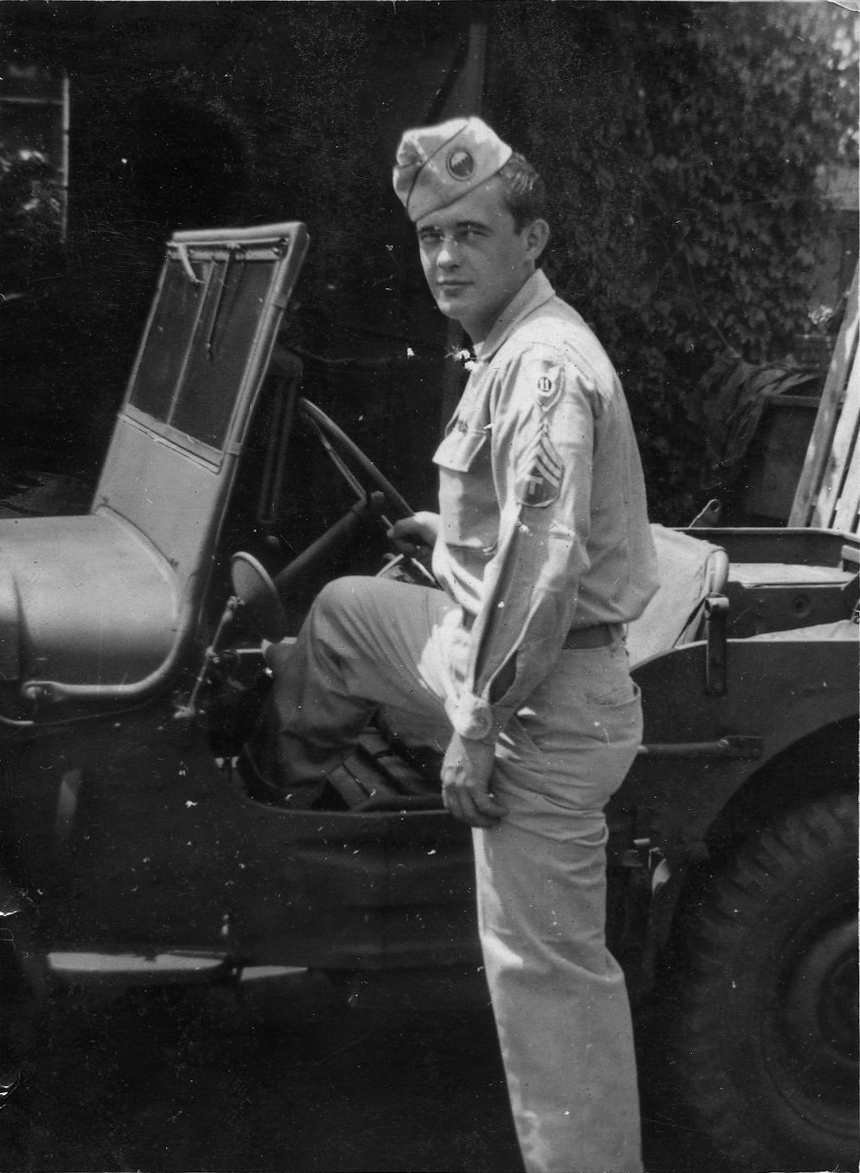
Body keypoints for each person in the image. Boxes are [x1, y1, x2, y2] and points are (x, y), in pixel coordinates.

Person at [264, 116, 659, 1173]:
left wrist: (474, 732)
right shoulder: (508, 346)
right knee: (346, 612)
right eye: (431, 235)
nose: (444, 256)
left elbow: (542, 575)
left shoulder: (542, 368)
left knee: (545, 978)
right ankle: (267, 835)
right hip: (495, 644)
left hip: (540, 697)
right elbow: (514, 532)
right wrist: (446, 535)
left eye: (471, 232)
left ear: (531, 241)